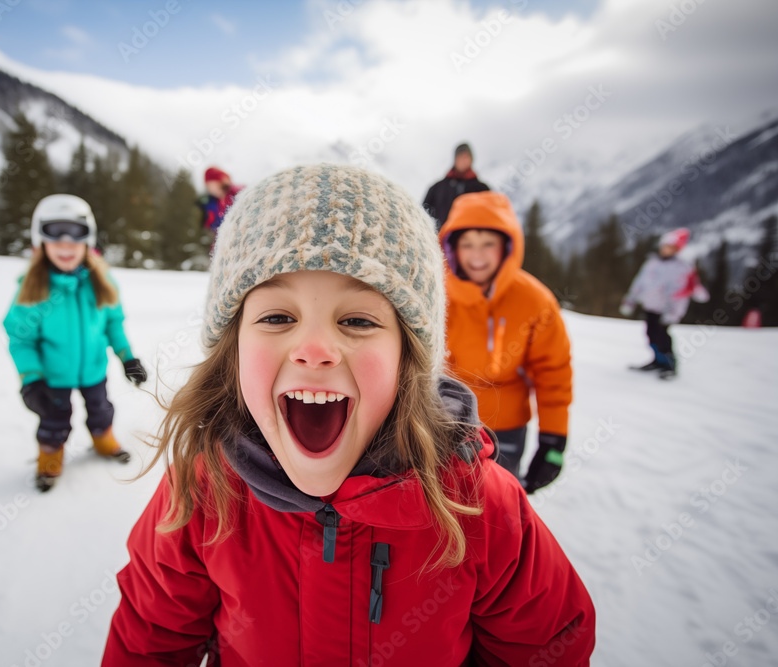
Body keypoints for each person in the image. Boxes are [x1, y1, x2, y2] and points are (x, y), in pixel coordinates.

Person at [102, 165, 594, 664]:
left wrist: (551, 438)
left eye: (358, 320)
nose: (315, 350)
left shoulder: (479, 509)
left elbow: (550, 648)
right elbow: (148, 642)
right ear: (232, 349)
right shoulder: (201, 494)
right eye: (277, 317)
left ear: (409, 357)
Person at [3, 194, 148, 492]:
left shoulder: (101, 282)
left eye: (75, 236)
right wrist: (31, 378)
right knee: (54, 419)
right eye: (56, 237)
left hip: (94, 369)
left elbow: (112, 323)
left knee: (101, 408)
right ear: (40, 241)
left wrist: (127, 357)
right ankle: (50, 456)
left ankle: (103, 438)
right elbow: (21, 340)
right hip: (52, 377)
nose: (66, 246)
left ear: (88, 240)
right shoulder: (33, 289)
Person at [438, 191, 573, 491]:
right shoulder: (436, 295)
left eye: (488, 244)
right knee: (442, 507)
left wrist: (554, 439)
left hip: (506, 429)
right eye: (467, 244)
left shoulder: (535, 300)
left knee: (499, 509)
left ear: (506, 247)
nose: (477, 255)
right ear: (452, 247)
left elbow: (553, 372)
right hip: (444, 421)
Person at [620, 227, 709, 379]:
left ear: (676, 249)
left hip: (665, 311)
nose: (665, 249)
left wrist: (673, 313)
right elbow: (640, 282)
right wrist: (630, 299)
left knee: (662, 337)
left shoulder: (681, 268)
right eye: (664, 246)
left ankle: (669, 364)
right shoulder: (652, 263)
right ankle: (657, 360)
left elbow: (680, 294)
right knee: (650, 334)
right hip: (650, 306)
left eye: (669, 247)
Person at [423, 142, 490, 233]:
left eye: (466, 157)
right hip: (438, 241)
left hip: (471, 243)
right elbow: (423, 215)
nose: (463, 160)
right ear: (455, 159)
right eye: (460, 156)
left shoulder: (482, 189)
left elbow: (490, 217)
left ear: (471, 160)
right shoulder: (437, 188)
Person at [196, 166, 244, 238]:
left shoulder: (239, 193)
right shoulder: (212, 203)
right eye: (209, 186)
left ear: (222, 181)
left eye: (214, 184)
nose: (212, 189)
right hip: (223, 242)